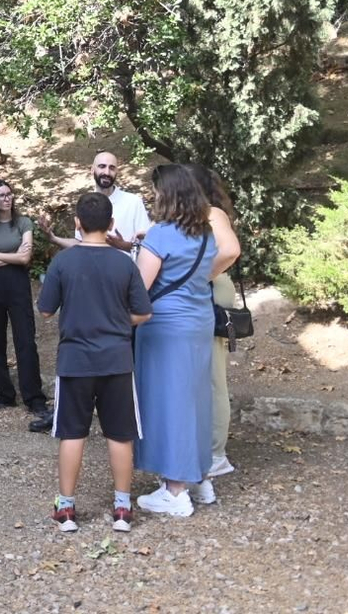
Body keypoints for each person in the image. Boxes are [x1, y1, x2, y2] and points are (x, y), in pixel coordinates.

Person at [37, 192, 153, 533]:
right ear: (112, 224)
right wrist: (118, 322)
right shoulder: (124, 263)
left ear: (77, 223)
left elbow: (45, 309)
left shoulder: (63, 262)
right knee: (120, 433)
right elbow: (143, 312)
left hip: (74, 360)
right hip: (117, 359)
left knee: (72, 432)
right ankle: (121, 507)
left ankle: (67, 509)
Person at [131, 164, 234, 516]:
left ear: (167, 195)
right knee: (195, 399)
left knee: (168, 404)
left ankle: (175, 491)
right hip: (199, 322)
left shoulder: (160, 235)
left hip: (165, 328)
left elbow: (139, 290)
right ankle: (200, 477)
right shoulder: (205, 234)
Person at [0, 179, 53, 429]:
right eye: (1, 195)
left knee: (25, 340)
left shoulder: (23, 223)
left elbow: (26, 257)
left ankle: (34, 398)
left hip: (18, 285)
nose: (7, 198)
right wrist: (10, 257)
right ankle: (5, 393)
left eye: (9, 194)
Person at [187, 164, 244, 494]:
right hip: (206, 291)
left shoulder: (213, 212)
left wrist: (199, 275)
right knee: (204, 374)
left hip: (212, 292)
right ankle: (207, 447)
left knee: (213, 377)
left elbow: (231, 250)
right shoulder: (203, 213)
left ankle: (216, 453)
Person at [41, 151, 152, 253]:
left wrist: (123, 245)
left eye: (112, 168)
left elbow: (148, 247)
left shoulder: (133, 202)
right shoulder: (86, 202)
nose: (107, 172)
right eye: (102, 166)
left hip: (126, 272)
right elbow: (81, 244)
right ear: (92, 170)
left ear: (117, 172)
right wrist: (53, 238)